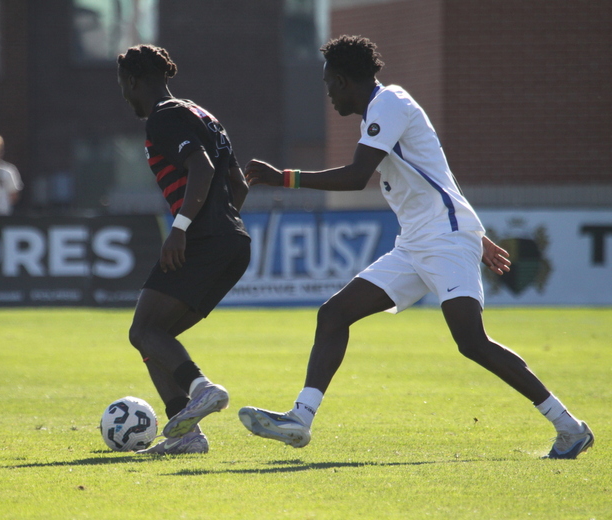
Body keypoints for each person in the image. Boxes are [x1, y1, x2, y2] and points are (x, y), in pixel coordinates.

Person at [239, 35, 593, 460]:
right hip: (417, 244)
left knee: (471, 341)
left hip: (442, 239)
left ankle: (569, 427)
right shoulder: (380, 110)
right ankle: (301, 417)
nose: (328, 92)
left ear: (345, 79)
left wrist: (285, 177)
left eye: (330, 82)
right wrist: (476, 234)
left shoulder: (388, 104)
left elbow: (356, 177)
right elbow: (438, 175)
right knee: (333, 314)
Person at [117, 44, 251, 455]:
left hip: (203, 239)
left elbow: (203, 168)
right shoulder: (202, 115)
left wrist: (182, 228)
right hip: (232, 242)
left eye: (123, 84)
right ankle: (186, 436)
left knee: (142, 330)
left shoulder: (164, 117)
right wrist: (218, 225)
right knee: (155, 339)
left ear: (135, 81)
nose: (124, 93)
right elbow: (239, 185)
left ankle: (201, 389)